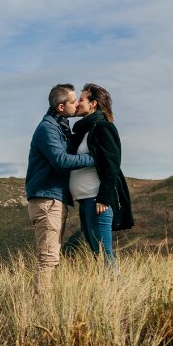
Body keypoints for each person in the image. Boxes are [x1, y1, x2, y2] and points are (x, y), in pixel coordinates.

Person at [25, 84, 96, 284]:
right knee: (48, 259)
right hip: (47, 200)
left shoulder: (58, 126)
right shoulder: (47, 128)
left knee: (50, 258)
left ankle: (41, 304)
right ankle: (41, 309)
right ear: (61, 108)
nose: (77, 104)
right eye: (73, 101)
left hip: (53, 198)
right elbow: (61, 160)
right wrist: (95, 158)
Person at [67, 83, 134, 267]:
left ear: (93, 104)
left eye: (81, 99)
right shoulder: (84, 130)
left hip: (97, 202)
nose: (78, 103)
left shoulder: (103, 127)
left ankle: (116, 293)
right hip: (86, 201)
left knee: (104, 254)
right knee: (97, 254)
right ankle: (110, 291)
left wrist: (103, 199)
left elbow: (111, 164)